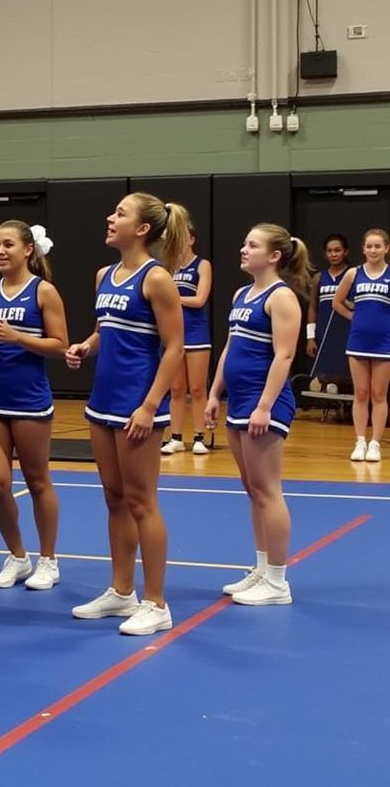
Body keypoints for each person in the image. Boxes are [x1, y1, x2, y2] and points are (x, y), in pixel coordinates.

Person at [65, 194, 186, 636]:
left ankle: (157, 602)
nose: (109, 217)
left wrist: (151, 405)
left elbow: (174, 348)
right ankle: (121, 591)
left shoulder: (156, 279)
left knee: (141, 501)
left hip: (139, 405)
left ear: (142, 230)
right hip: (103, 402)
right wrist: (85, 346)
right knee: (114, 499)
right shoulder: (105, 276)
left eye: (120, 213)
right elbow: (106, 330)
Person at [205, 224, 310, 605]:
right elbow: (229, 348)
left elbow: (284, 355)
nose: (243, 249)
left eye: (253, 245)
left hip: (265, 401)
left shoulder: (281, 298)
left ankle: (278, 582)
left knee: (267, 490)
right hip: (239, 400)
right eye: (245, 242)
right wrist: (215, 393)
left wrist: (264, 405)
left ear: (275, 255)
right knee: (253, 490)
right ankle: (262, 568)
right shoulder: (241, 293)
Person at [0, 221, 67, 589]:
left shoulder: (44, 292)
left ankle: (49, 560)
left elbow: (59, 345)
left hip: (30, 400)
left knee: (38, 481)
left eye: (7, 244)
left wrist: (16, 337)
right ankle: (17, 556)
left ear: (28, 250)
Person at [333, 228, 390, 463]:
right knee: (360, 393)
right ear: (363, 249)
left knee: (379, 394)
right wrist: (353, 317)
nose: (373, 250)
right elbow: (337, 302)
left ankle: (375, 443)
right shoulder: (354, 274)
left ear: (387, 248)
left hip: (384, 342)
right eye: (369, 246)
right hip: (358, 341)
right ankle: (360, 441)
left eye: (378, 246)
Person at [162, 226, 213, 455]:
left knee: (197, 388)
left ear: (191, 239)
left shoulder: (202, 265)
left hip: (196, 332)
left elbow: (200, 299)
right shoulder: (167, 268)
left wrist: (173, 298)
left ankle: (200, 436)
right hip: (174, 333)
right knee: (176, 388)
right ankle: (176, 437)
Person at [306, 233, 348, 365]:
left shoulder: (353, 275)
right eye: (329, 251)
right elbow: (312, 308)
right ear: (325, 254)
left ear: (346, 252)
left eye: (337, 250)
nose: (333, 254)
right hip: (323, 333)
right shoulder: (318, 277)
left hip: (347, 331)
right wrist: (310, 337)